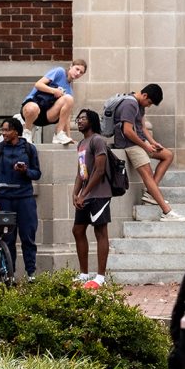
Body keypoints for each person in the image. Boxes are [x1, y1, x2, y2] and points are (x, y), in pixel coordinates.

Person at [106, 85, 176, 218]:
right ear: (144, 96)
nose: (148, 106)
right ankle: (167, 211)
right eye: (149, 103)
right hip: (129, 144)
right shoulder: (130, 104)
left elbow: (142, 127)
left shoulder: (139, 104)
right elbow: (127, 131)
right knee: (148, 174)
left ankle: (150, 193)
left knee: (167, 155)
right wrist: (145, 147)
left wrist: (153, 142)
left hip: (140, 142)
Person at [0, 116, 42, 275]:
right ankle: (10, 275)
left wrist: (25, 171)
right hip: (4, 200)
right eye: (2, 130)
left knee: (28, 238)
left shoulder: (29, 149)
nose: (3, 133)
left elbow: (37, 174)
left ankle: (31, 274)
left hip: (25, 200)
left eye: (6, 130)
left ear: (16, 131)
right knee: (7, 239)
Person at [70, 108, 114, 284]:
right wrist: (75, 193)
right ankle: (83, 274)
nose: (79, 121)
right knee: (78, 230)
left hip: (99, 194)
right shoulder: (81, 143)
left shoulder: (97, 141)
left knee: (100, 231)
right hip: (86, 195)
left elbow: (100, 170)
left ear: (92, 121)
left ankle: (100, 277)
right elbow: (82, 171)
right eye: (78, 118)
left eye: (83, 118)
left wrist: (84, 193)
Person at [22, 59, 88, 142]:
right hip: (32, 106)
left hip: (46, 116)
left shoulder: (69, 91)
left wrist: (68, 136)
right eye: (77, 69)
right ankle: (27, 132)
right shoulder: (59, 72)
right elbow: (38, 84)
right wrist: (54, 91)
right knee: (33, 108)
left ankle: (59, 134)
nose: (78, 73)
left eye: (81, 72)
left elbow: (66, 116)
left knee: (69, 99)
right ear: (71, 66)